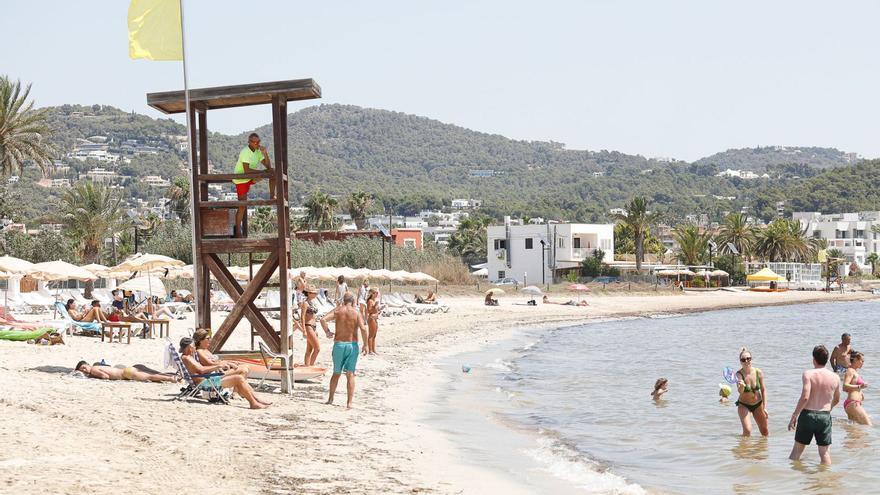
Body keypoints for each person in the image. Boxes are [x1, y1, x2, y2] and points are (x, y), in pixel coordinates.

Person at [178, 337, 270, 409]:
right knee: (239, 378)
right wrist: (218, 366)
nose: (194, 347)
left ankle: (255, 400)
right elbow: (201, 370)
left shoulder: (188, 357)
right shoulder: (187, 358)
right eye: (193, 346)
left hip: (207, 379)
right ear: (189, 347)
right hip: (205, 382)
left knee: (239, 376)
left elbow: (201, 369)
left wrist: (219, 366)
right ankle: (253, 403)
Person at [789, 345, 841, 465]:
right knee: (825, 454)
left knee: (797, 451)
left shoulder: (808, 374)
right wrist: (828, 409)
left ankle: (792, 479)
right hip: (824, 416)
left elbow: (805, 397)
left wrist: (795, 415)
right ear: (827, 359)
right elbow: (837, 399)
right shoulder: (835, 377)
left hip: (808, 415)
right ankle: (825, 480)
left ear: (814, 359)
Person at [319, 293, 368, 408]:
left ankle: (330, 399)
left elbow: (323, 319)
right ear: (354, 301)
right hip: (352, 345)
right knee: (350, 374)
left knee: (336, 373)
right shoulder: (356, 312)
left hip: (339, 345)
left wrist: (327, 332)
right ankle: (349, 403)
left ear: (343, 301)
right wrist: (365, 344)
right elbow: (363, 328)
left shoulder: (338, 310)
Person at [231, 132, 274, 237]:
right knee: (242, 205)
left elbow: (268, 167)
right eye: (253, 142)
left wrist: (265, 153)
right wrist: (261, 172)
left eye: (258, 142)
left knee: (272, 172)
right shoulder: (245, 152)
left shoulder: (258, 151)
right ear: (249, 142)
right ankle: (238, 233)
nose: (256, 143)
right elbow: (246, 170)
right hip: (241, 179)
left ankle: (272, 195)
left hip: (251, 177)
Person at [734, 347, 769, 437]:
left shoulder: (758, 372)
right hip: (744, 405)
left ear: (751, 359)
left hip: (758, 404)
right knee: (748, 431)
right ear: (740, 362)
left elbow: (763, 390)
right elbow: (740, 391)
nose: (746, 361)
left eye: (748, 359)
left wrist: (765, 407)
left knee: (765, 432)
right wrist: (741, 386)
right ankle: (744, 449)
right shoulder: (738, 375)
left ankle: (762, 450)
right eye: (743, 359)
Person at [75, 360, 179, 383]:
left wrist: (91, 377)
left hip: (126, 373)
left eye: (84, 367)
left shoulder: (94, 369)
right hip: (126, 370)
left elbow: (105, 377)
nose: (85, 370)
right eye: (82, 370)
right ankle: (172, 376)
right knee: (151, 374)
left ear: (88, 364)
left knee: (150, 377)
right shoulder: (96, 366)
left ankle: (171, 378)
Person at [843, 350, 871, 426]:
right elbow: (844, 386)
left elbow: (847, 389)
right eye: (862, 361)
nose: (863, 363)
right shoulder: (850, 371)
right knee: (868, 425)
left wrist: (860, 393)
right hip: (853, 404)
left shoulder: (855, 372)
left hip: (853, 403)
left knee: (854, 430)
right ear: (855, 360)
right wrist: (859, 386)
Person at [300, 285, 321, 366]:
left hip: (313, 327)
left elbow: (313, 316)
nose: (315, 294)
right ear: (308, 293)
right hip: (308, 326)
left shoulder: (312, 302)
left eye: (315, 293)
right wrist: (304, 330)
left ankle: (307, 365)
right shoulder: (305, 303)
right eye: (313, 293)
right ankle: (311, 366)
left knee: (309, 349)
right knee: (317, 349)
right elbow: (302, 316)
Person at [365, 288, 380, 355]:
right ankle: (370, 350)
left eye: (377, 293)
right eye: (376, 293)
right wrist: (375, 306)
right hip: (371, 318)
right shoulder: (370, 301)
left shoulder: (374, 301)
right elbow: (369, 311)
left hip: (375, 318)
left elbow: (375, 310)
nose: (377, 294)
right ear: (372, 294)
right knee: (371, 335)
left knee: (374, 335)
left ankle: (373, 350)